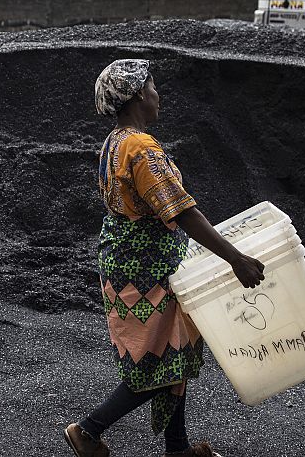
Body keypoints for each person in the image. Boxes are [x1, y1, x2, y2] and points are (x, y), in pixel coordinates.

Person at [63, 59, 267, 457]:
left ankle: (178, 448)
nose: (158, 95)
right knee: (158, 360)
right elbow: (182, 211)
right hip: (147, 269)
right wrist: (235, 259)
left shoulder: (114, 142)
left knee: (172, 348)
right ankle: (88, 431)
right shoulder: (140, 147)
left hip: (130, 260)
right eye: (153, 87)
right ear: (139, 93)